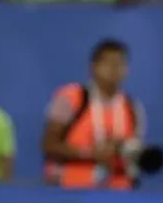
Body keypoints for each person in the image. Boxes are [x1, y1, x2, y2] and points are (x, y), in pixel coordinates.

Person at [41, 39, 151, 190]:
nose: (114, 69)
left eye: (120, 64)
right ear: (93, 67)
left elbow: (135, 153)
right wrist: (90, 153)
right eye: (108, 63)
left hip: (119, 193)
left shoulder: (132, 107)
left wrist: (121, 150)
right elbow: (49, 145)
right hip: (71, 191)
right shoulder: (71, 98)